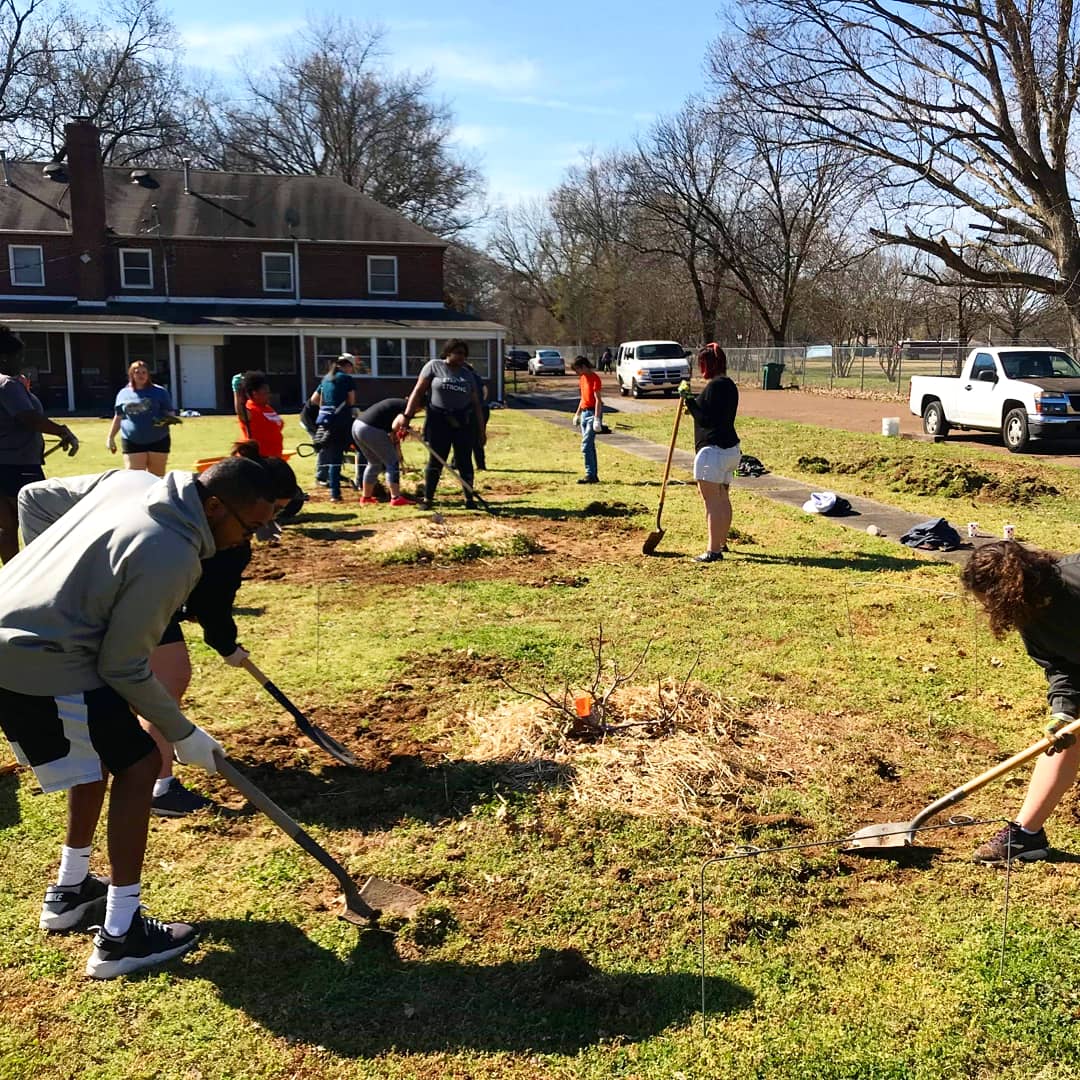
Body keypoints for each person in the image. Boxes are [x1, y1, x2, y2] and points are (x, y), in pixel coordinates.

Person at [2, 457, 276, 978]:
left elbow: (33, 499)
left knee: (102, 759)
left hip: (16, 636)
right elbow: (123, 664)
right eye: (249, 526)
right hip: (40, 659)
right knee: (141, 763)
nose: (249, 541)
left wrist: (54, 585)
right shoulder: (171, 554)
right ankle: (120, 936)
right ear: (215, 505)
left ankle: (71, 891)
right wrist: (183, 732)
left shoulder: (130, 482)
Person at [137, 444, 302, 816]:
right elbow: (211, 603)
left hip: (143, 598)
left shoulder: (207, 514)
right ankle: (158, 787)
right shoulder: (226, 537)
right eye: (271, 510)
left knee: (159, 684)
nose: (268, 522)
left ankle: (157, 758)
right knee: (168, 680)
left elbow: (202, 597)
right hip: (133, 599)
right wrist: (225, 643)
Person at [963, 542, 1080, 864]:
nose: (988, 610)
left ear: (1009, 591)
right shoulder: (1030, 616)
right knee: (1065, 740)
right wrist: (1062, 711)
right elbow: (1061, 666)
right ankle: (1027, 836)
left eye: (989, 602)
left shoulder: (1076, 580)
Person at [0, 327, 79, 563]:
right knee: (37, 518)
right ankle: (37, 572)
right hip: (18, 465)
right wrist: (62, 431)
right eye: (19, 357)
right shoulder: (8, 385)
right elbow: (29, 418)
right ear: (5, 357)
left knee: (5, 526)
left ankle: (12, 577)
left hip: (5, 463)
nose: (21, 362)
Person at [393, 340, 486, 510]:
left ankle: (469, 499)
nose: (461, 357)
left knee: (465, 460)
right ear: (448, 352)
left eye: (464, 354)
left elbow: (476, 405)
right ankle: (428, 499)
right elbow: (418, 391)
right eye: (458, 353)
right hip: (438, 421)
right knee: (436, 460)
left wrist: (481, 431)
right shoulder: (434, 366)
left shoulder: (468, 375)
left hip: (462, 423)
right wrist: (407, 416)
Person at [678, 343, 740, 563]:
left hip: (712, 452)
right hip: (730, 450)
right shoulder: (729, 385)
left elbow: (705, 419)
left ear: (707, 365)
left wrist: (688, 399)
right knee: (722, 498)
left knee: (711, 502)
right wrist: (693, 404)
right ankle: (721, 541)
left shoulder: (714, 387)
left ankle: (713, 551)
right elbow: (711, 413)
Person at [106, 361, 177, 476]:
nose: (141, 375)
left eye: (144, 372)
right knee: (135, 478)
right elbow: (118, 416)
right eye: (137, 372)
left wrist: (166, 420)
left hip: (158, 440)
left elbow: (170, 413)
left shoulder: (160, 392)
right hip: (132, 440)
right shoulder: (123, 393)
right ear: (131, 375)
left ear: (148, 374)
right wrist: (110, 437)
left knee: (157, 478)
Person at [310, 355, 356, 502]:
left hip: (325, 421)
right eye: (351, 367)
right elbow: (351, 400)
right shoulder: (347, 379)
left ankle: (334, 492)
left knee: (332, 457)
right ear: (347, 365)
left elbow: (314, 399)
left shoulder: (326, 379)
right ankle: (356, 485)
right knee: (358, 449)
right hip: (342, 421)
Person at [351, 397, 413, 506]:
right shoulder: (407, 408)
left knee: (374, 463)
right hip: (370, 429)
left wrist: (397, 446)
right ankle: (396, 498)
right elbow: (395, 426)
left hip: (357, 426)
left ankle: (366, 497)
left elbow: (392, 433)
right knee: (392, 462)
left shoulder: (397, 403)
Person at [235, 371, 284, 460]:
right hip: (258, 459)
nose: (269, 395)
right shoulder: (250, 409)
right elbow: (240, 412)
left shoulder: (268, 408)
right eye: (265, 393)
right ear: (255, 393)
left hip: (275, 457)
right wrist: (236, 391)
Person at [571, 356, 603, 485]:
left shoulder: (595, 378)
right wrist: (577, 414)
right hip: (584, 412)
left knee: (585, 445)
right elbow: (583, 398)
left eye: (578, 370)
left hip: (592, 413)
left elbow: (598, 400)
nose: (577, 373)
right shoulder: (582, 378)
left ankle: (590, 474)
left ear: (583, 366)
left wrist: (596, 418)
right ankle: (592, 475)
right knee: (589, 446)